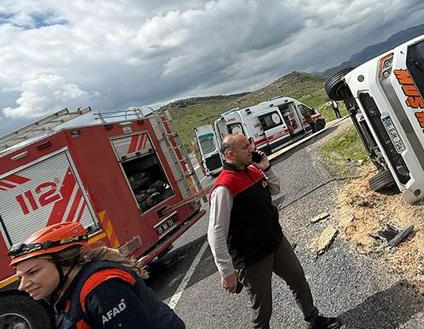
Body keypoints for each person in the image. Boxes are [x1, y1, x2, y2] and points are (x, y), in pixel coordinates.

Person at [207, 134, 341, 329]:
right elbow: (215, 234)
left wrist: (267, 169)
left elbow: (275, 189)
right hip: (252, 257)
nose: (251, 149)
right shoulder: (223, 188)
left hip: (275, 242)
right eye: (245, 147)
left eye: (249, 144)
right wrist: (227, 271)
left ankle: (314, 320)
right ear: (230, 154)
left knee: (298, 280)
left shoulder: (253, 169)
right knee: (262, 309)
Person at [10, 221, 186, 329]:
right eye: (20, 277)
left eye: (33, 272)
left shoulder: (101, 288)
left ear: (63, 263)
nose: (23, 285)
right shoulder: (63, 293)